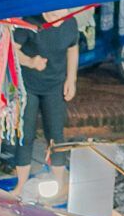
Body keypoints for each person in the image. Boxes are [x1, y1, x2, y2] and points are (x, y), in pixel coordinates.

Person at [7, 10, 81, 188]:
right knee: (25, 134)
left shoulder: (70, 23)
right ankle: (21, 184)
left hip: (55, 85)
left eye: (63, 16)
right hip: (28, 86)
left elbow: (72, 48)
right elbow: (12, 50)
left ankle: (60, 182)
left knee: (56, 134)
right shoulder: (29, 22)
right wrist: (31, 61)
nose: (59, 21)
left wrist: (71, 79)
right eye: (55, 17)